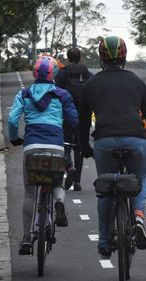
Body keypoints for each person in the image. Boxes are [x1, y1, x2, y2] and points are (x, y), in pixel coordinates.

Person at [79, 35, 146, 258]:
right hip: (135, 139)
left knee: (106, 189)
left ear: (101, 58)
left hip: (105, 141)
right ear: (124, 57)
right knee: (140, 178)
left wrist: (83, 146)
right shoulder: (136, 81)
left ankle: (105, 242)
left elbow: (82, 121)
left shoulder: (91, 84)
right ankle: (138, 218)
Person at [8, 56, 78, 255]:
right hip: (56, 147)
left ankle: (26, 238)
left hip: (32, 147)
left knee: (30, 192)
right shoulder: (62, 95)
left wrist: (15, 139)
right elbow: (74, 121)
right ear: (54, 74)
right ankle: (59, 203)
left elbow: (13, 120)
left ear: (34, 73)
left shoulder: (25, 94)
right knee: (57, 182)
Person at [55, 47, 93, 191]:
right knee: (80, 147)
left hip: (66, 114)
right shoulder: (86, 73)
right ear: (80, 57)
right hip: (83, 115)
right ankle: (77, 181)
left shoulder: (62, 74)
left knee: (64, 144)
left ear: (68, 58)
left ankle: (69, 166)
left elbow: (56, 93)